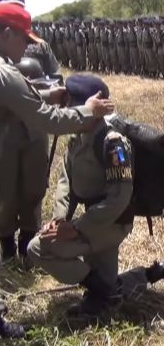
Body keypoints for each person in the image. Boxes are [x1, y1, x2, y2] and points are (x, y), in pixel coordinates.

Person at [0, 4, 114, 338]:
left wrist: (52, 94)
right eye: (25, 40)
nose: (28, 48)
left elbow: (7, 97)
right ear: (7, 34)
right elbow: (43, 119)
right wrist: (85, 110)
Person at [28, 74, 136, 315]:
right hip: (93, 219)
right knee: (107, 278)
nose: (69, 112)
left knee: (39, 248)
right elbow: (65, 180)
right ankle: (112, 288)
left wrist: (77, 228)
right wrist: (59, 219)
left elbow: (119, 198)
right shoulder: (78, 137)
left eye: (73, 106)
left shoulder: (113, 144)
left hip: (111, 222)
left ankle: (102, 294)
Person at [0, 0, 59, 261]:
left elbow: (56, 76)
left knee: (34, 185)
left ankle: (28, 242)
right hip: (3, 130)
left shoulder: (39, 44)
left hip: (35, 126)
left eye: (18, 9)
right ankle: (6, 243)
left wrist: (46, 88)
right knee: (4, 188)